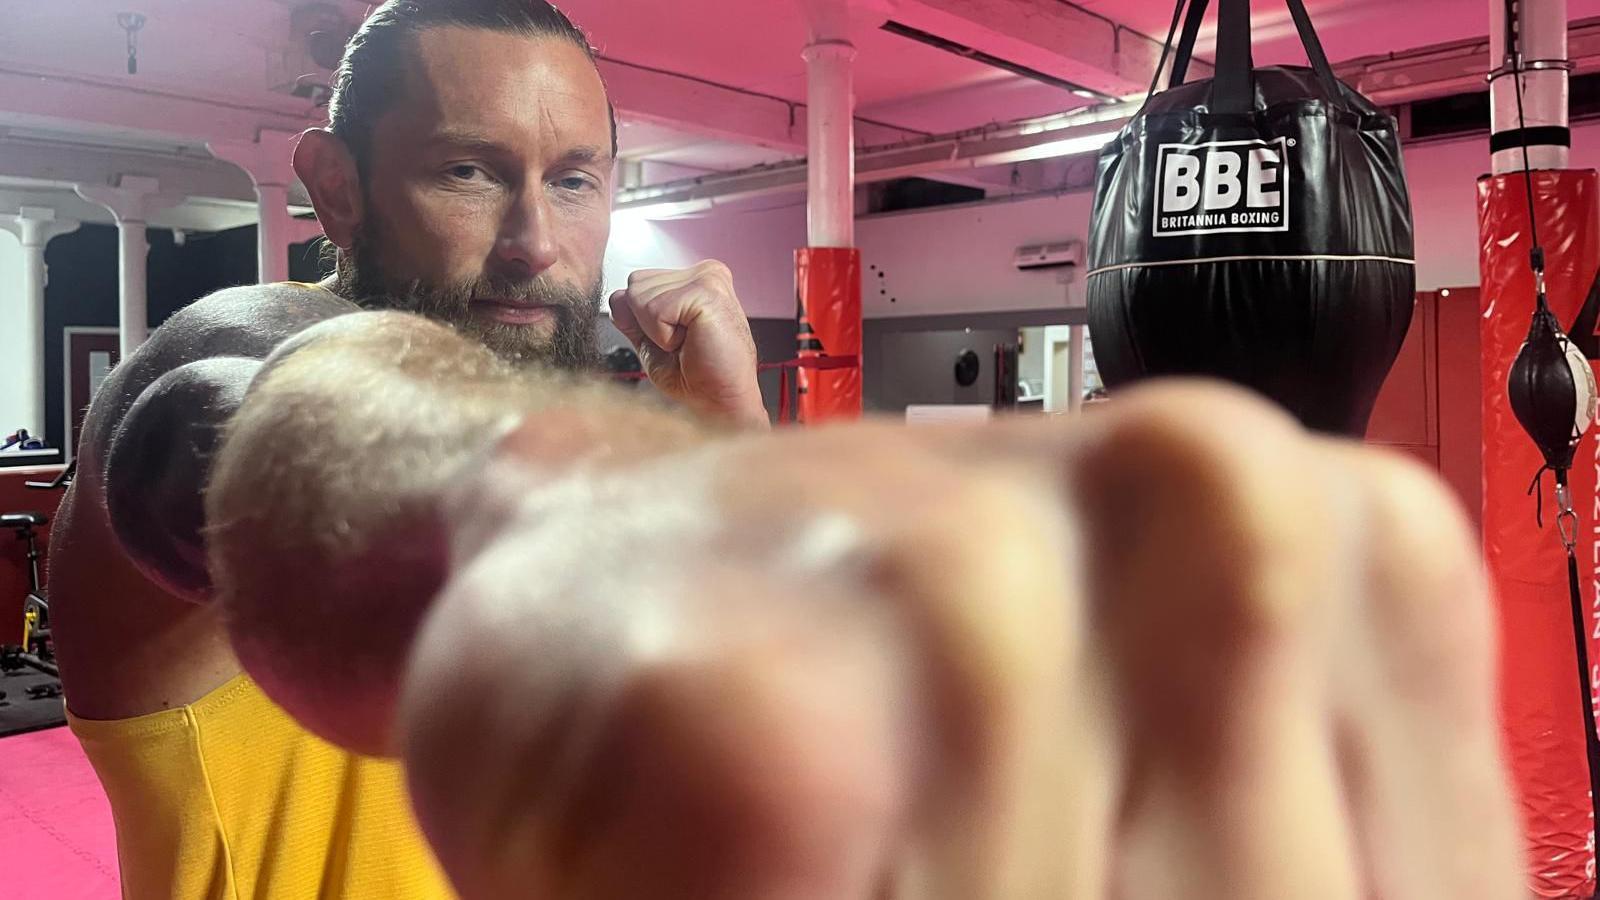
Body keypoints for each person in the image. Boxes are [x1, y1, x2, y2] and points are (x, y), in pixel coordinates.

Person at [46, 0, 1523, 897]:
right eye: (463, 172)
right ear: (334, 187)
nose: (535, 244)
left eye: (575, 178)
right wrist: (750, 533)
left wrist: (726, 462)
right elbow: (232, 417)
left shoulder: (642, 441)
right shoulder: (212, 408)